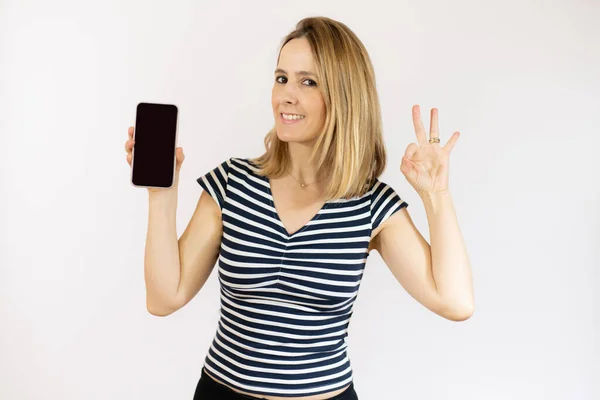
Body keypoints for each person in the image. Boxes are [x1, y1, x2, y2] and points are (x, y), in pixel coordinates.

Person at [125, 16, 474, 400]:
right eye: (281, 78)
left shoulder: (371, 205)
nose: (286, 95)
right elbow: (163, 298)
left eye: (308, 82)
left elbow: (455, 301)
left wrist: (436, 195)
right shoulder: (231, 183)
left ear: (343, 96)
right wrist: (162, 194)